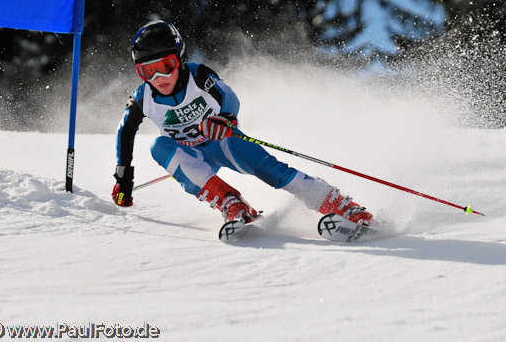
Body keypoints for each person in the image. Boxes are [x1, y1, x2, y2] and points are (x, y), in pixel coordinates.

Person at [112, 20, 373, 226]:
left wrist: (224, 118)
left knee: (272, 171)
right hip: (193, 155)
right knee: (159, 146)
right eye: (147, 71)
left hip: (223, 141)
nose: (159, 77)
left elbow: (227, 95)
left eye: (166, 65)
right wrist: (124, 177)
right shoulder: (142, 98)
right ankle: (231, 203)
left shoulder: (197, 74)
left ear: (179, 58)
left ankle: (340, 206)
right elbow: (125, 131)